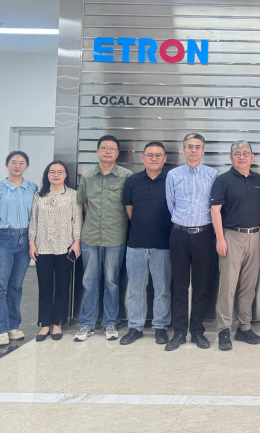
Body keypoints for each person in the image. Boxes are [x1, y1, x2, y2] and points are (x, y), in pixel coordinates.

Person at [74, 135, 132, 342]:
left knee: (111, 281)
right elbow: (84, 204)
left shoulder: (126, 176)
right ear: (97, 151)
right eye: (104, 148)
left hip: (116, 237)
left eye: (112, 149)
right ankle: (87, 324)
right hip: (90, 237)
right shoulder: (87, 176)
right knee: (89, 281)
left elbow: (129, 206)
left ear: (117, 153)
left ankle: (109, 323)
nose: (108, 151)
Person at [165, 133, 219, 351]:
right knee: (179, 285)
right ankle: (179, 332)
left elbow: (215, 205)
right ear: (183, 150)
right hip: (179, 234)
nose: (194, 150)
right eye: (190, 146)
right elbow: (171, 205)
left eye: (198, 147)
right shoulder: (173, 175)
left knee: (201, 285)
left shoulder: (213, 175)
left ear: (203, 151)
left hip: (204, 235)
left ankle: (197, 331)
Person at [211, 140, 260, 351]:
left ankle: (244, 327)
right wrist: (220, 239)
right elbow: (215, 210)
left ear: (252, 157)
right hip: (231, 237)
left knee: (248, 287)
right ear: (231, 158)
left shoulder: (258, 180)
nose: (242, 157)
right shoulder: (223, 180)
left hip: (255, 237)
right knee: (228, 286)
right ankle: (224, 329)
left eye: (245, 153)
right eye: (237, 153)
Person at [119, 142, 173, 346]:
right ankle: (135, 327)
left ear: (164, 159)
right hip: (136, 244)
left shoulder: (171, 180)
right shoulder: (132, 181)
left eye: (158, 155)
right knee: (136, 289)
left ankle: (160, 327)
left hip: (164, 244)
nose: (154, 158)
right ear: (143, 158)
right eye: (150, 155)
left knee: (162, 289)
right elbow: (130, 211)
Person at [0, 151, 38, 346]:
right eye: (13, 162)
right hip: (3, 239)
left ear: (27, 166)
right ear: (7, 165)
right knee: (0, 286)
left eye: (22, 163)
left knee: (16, 286)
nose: (17, 166)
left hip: (25, 239)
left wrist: (34, 241)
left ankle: (13, 326)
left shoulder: (33, 188)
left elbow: (36, 217)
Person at [28, 160, 82, 342]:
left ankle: (57, 323)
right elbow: (34, 220)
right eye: (52, 172)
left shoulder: (73, 195)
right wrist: (31, 242)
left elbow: (77, 220)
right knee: (44, 287)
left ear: (66, 175)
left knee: (62, 287)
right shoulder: (39, 195)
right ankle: (45, 324)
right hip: (42, 247)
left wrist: (76, 241)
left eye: (60, 172)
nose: (56, 175)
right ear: (47, 175)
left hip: (65, 247)